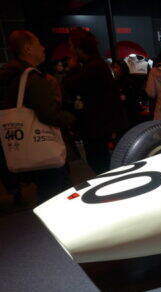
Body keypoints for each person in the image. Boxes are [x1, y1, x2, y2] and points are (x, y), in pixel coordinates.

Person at [0, 30, 75, 202]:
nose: (43, 48)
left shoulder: (9, 76)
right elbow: (49, 114)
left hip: (21, 146)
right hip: (43, 148)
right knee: (56, 193)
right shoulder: (31, 77)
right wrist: (70, 117)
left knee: (49, 191)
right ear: (27, 48)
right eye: (38, 44)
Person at [62, 28, 127, 174]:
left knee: (99, 163)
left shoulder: (92, 67)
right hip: (100, 126)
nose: (70, 50)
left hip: (97, 127)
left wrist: (72, 68)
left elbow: (72, 86)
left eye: (71, 46)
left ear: (79, 48)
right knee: (100, 162)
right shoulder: (95, 65)